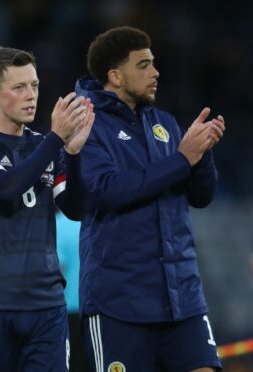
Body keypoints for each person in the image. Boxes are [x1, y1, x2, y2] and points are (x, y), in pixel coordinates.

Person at [76, 26, 225, 371]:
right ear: (114, 75)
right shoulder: (87, 124)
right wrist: (181, 159)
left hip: (181, 298)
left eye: (154, 63)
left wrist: (202, 153)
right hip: (119, 302)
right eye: (143, 65)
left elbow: (201, 197)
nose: (155, 73)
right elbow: (106, 191)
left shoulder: (164, 124)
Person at [0, 47, 95, 371]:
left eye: (35, 85)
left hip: (46, 306)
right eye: (19, 87)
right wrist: (57, 139)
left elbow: (75, 209)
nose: (31, 96)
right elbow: (6, 188)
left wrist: (73, 154)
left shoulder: (45, 146)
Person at [55, 210, 89, 371]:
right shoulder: (91, 221)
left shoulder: (57, 224)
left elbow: (57, 270)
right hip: (92, 309)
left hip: (68, 311)